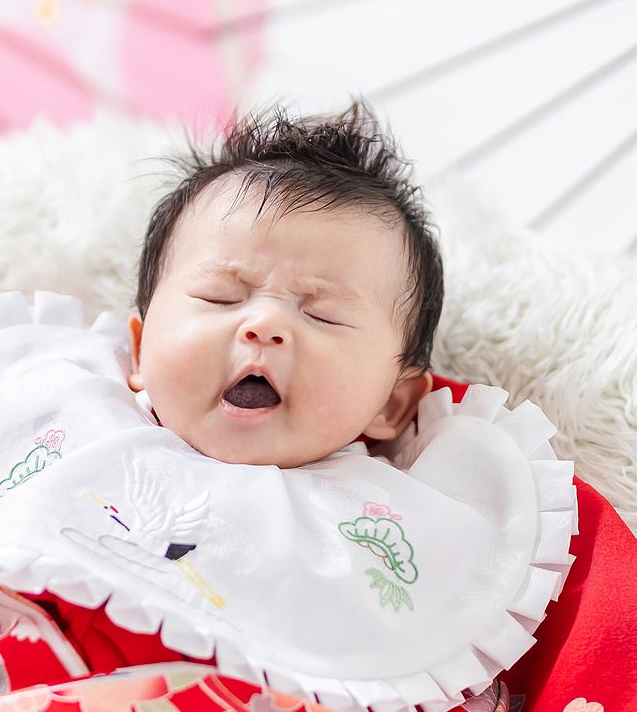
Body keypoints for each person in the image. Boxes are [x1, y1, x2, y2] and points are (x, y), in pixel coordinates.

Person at [124, 98, 443, 468]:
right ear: (139, 350)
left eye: (324, 316)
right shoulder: (84, 419)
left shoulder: (396, 510)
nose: (265, 324)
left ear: (391, 402)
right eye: (220, 297)